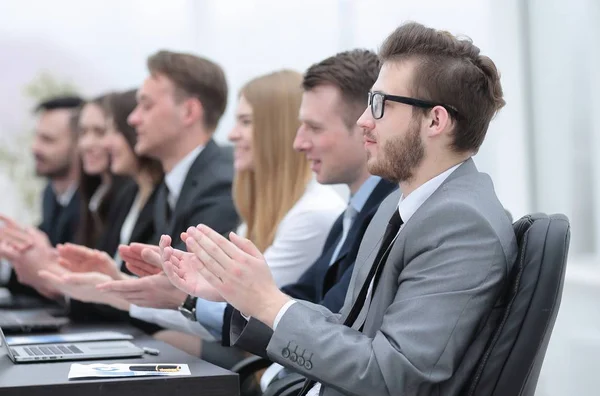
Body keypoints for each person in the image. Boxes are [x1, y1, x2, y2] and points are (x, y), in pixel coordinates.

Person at [163, 22, 518, 396]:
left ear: (435, 120)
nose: (364, 120)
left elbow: (390, 376)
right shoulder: (403, 209)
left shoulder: (461, 224)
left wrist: (267, 299)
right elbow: (347, 327)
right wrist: (247, 295)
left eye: (380, 104)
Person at [0, 96, 83, 297]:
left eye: (48, 139)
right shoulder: (50, 194)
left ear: (80, 145)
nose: (34, 148)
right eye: (36, 137)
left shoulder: (97, 203)